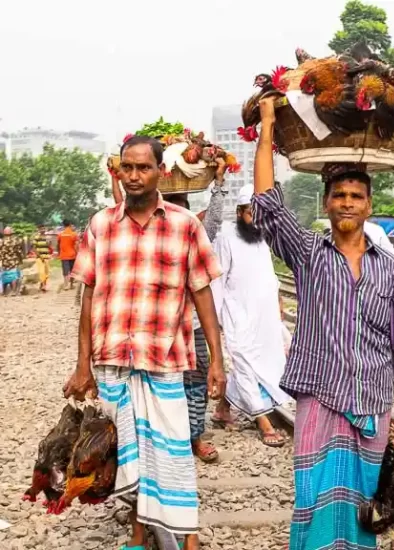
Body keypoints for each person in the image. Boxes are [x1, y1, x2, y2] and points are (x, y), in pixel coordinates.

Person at [252, 97, 394, 550]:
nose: (347, 203)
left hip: (371, 401)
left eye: (356, 196)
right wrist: (267, 127)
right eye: (339, 196)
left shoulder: (388, 268)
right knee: (313, 496)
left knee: (364, 503)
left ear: (368, 205)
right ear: (326, 204)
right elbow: (267, 206)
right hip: (321, 396)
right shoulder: (308, 254)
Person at [64, 135, 226, 550]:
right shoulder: (100, 225)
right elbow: (88, 295)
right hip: (114, 360)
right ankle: (139, 534)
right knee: (129, 456)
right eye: (127, 168)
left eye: (143, 168)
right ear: (118, 171)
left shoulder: (185, 226)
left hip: (165, 359)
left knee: (172, 454)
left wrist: (217, 361)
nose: (134, 176)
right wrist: (82, 364)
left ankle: (188, 539)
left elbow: (202, 293)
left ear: (160, 172)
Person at [112, 164, 228, 464]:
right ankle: (160, 449)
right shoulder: (140, 230)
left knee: (196, 382)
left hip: (193, 326)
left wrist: (218, 182)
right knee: (155, 390)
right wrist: (115, 179)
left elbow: (214, 216)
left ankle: (196, 437)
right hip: (155, 330)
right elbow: (119, 209)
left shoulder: (194, 229)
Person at [211, 182, 290, 447]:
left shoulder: (263, 236)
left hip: (265, 314)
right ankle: (263, 421)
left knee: (263, 362)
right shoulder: (226, 237)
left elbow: (269, 273)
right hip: (238, 313)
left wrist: (278, 300)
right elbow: (218, 279)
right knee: (244, 362)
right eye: (250, 213)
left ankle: (223, 409)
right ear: (239, 212)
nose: (255, 219)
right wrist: (219, 317)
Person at [0, 227, 24, 296]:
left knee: (5, 276)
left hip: (4, 261)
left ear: (4, 233)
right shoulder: (15, 241)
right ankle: (13, 291)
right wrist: (21, 259)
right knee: (13, 276)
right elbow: (19, 251)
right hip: (14, 261)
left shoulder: (1, 241)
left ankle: (4, 292)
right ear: (11, 233)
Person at [57, 220, 79, 290]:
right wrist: (78, 253)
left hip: (64, 255)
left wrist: (59, 252)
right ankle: (72, 285)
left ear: (63, 225)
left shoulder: (60, 234)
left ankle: (66, 285)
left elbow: (58, 245)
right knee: (72, 271)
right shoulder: (74, 234)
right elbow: (76, 245)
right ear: (70, 225)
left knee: (66, 271)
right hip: (72, 255)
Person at [33, 225, 51, 292]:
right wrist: (40, 256)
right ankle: (44, 285)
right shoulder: (36, 237)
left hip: (46, 257)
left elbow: (49, 247)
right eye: (41, 229)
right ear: (39, 229)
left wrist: (49, 243)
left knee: (46, 272)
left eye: (44, 228)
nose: (43, 230)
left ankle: (42, 284)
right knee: (41, 272)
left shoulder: (47, 237)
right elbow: (34, 248)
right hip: (39, 258)